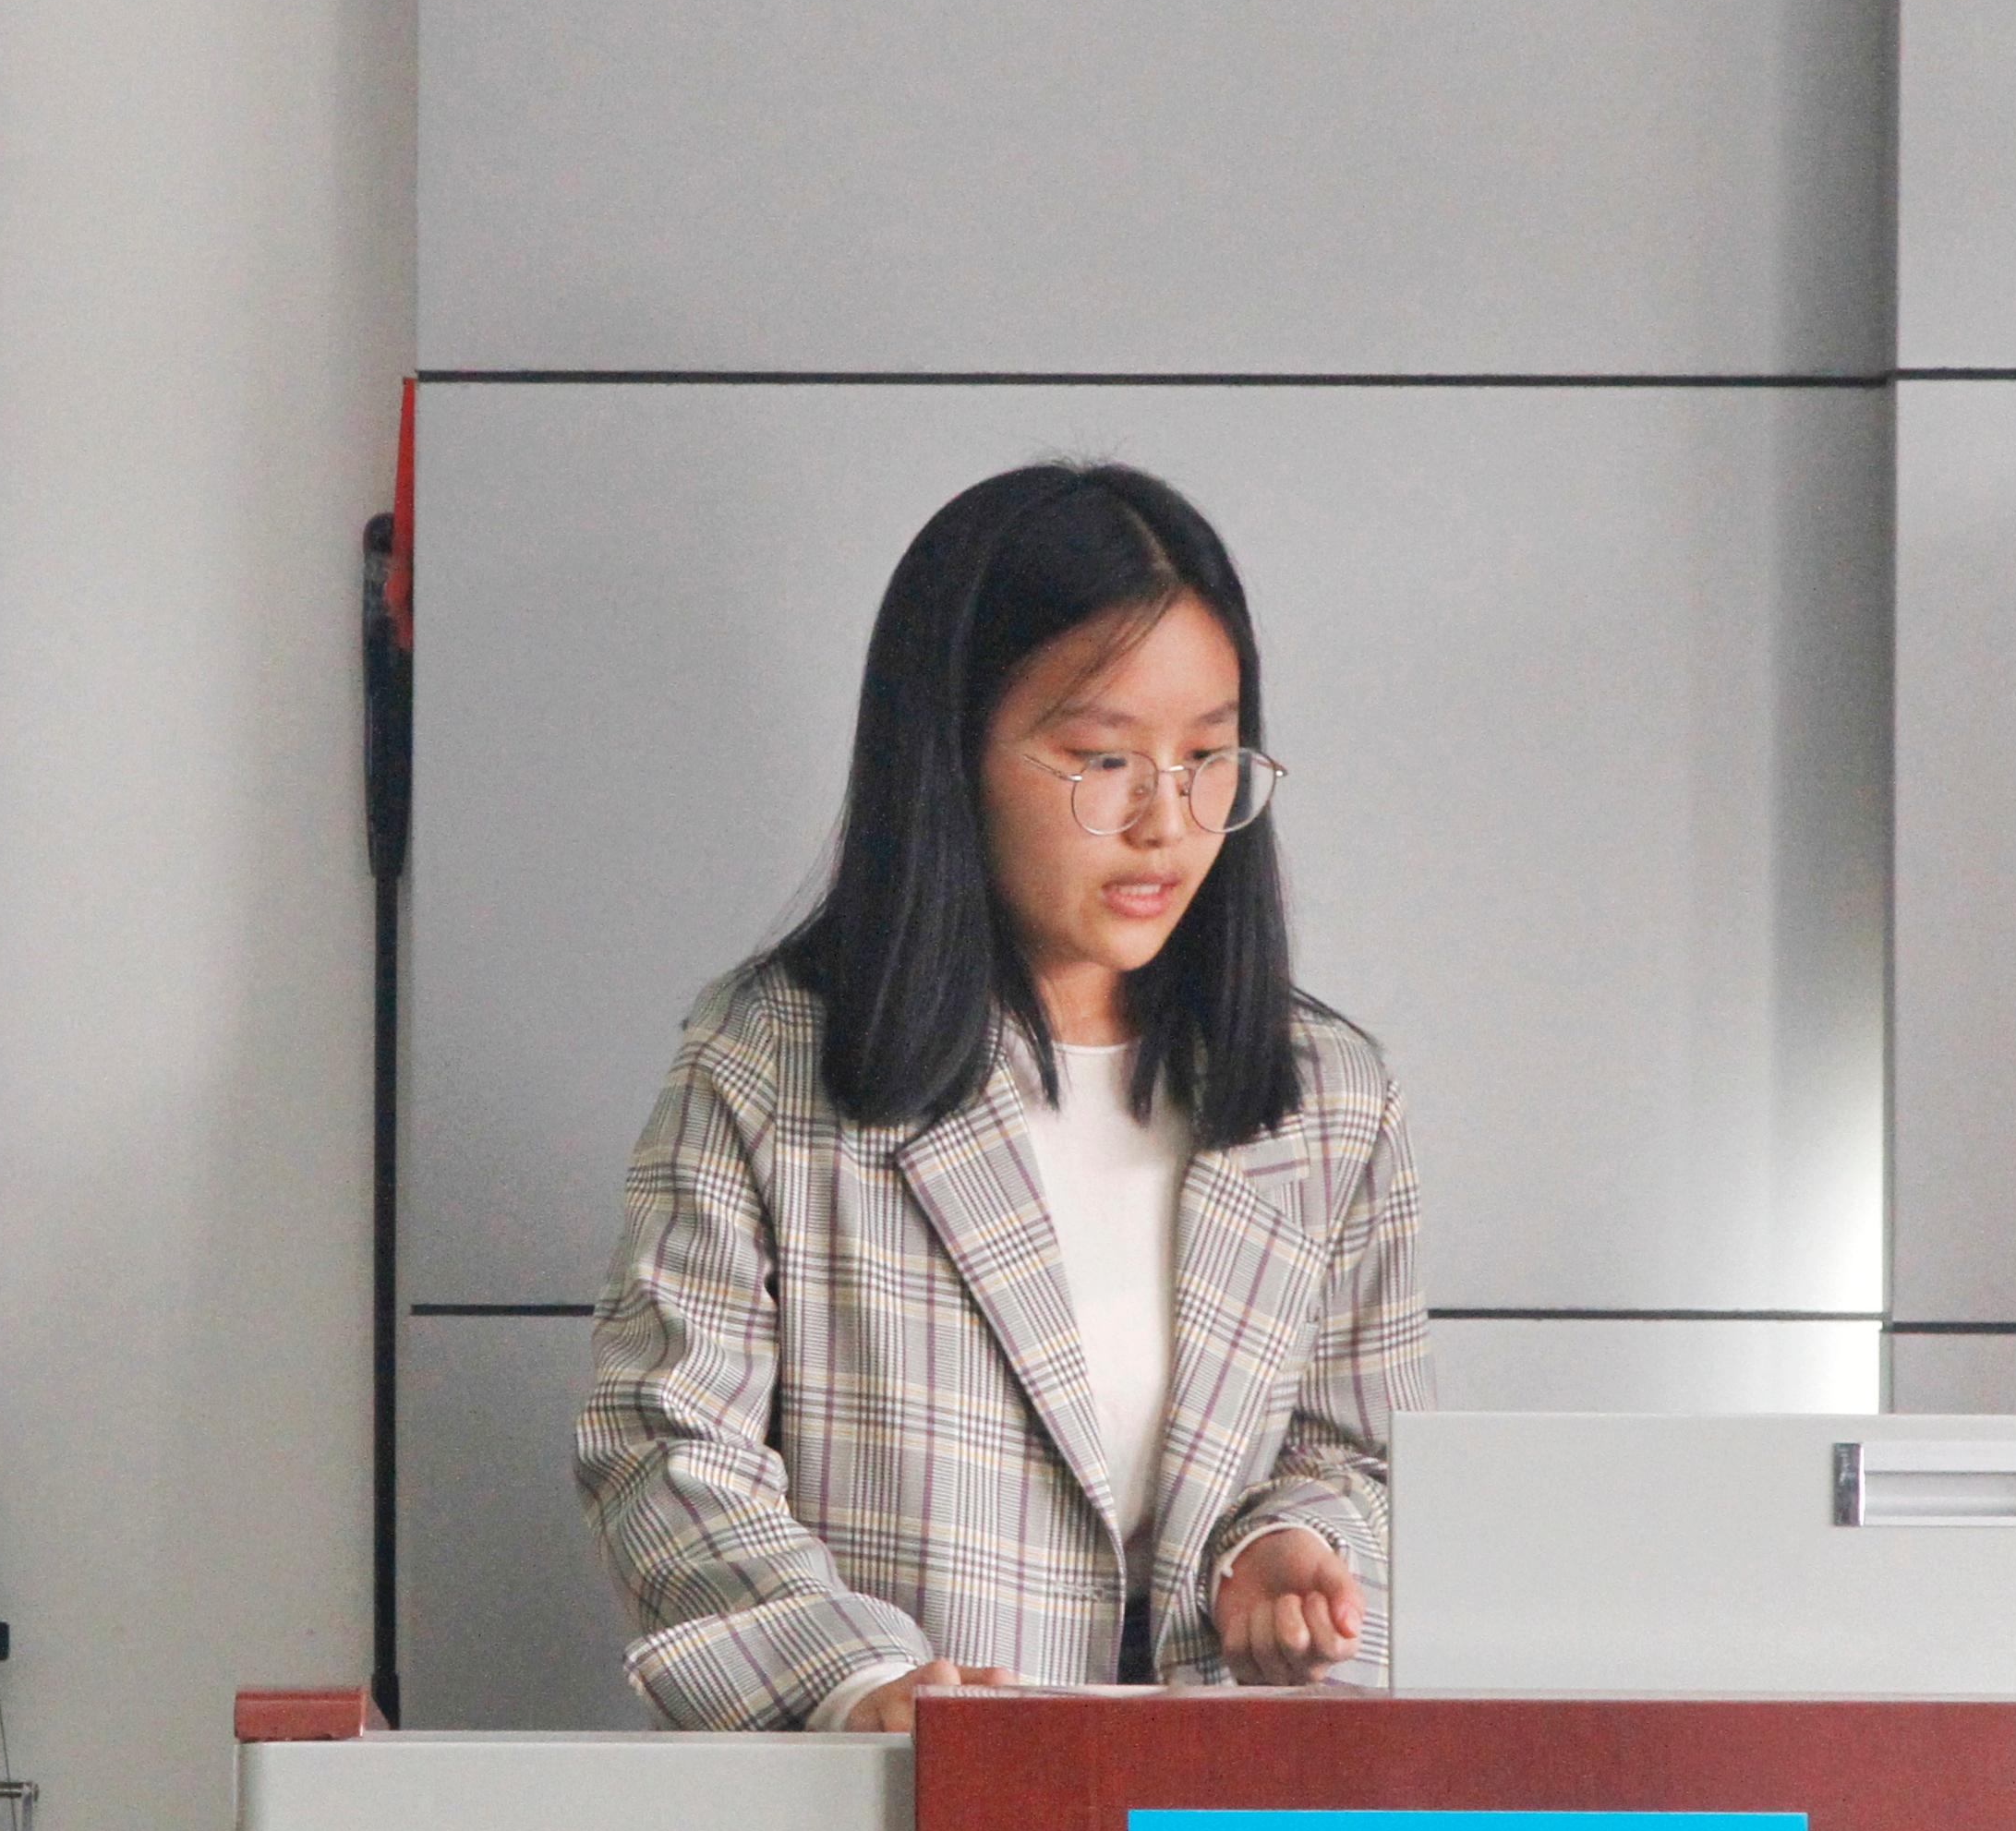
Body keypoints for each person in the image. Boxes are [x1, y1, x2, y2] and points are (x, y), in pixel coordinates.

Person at [577, 461, 1428, 1733]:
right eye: (1103, 758)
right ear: (951, 753)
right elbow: (664, 1441)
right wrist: (858, 1682)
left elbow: (1361, 1451)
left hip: (1229, 1826)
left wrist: (1288, 1547)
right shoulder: (770, 1067)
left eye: (1208, 757)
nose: (1167, 821)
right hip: (896, 1805)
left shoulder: (1330, 1102)